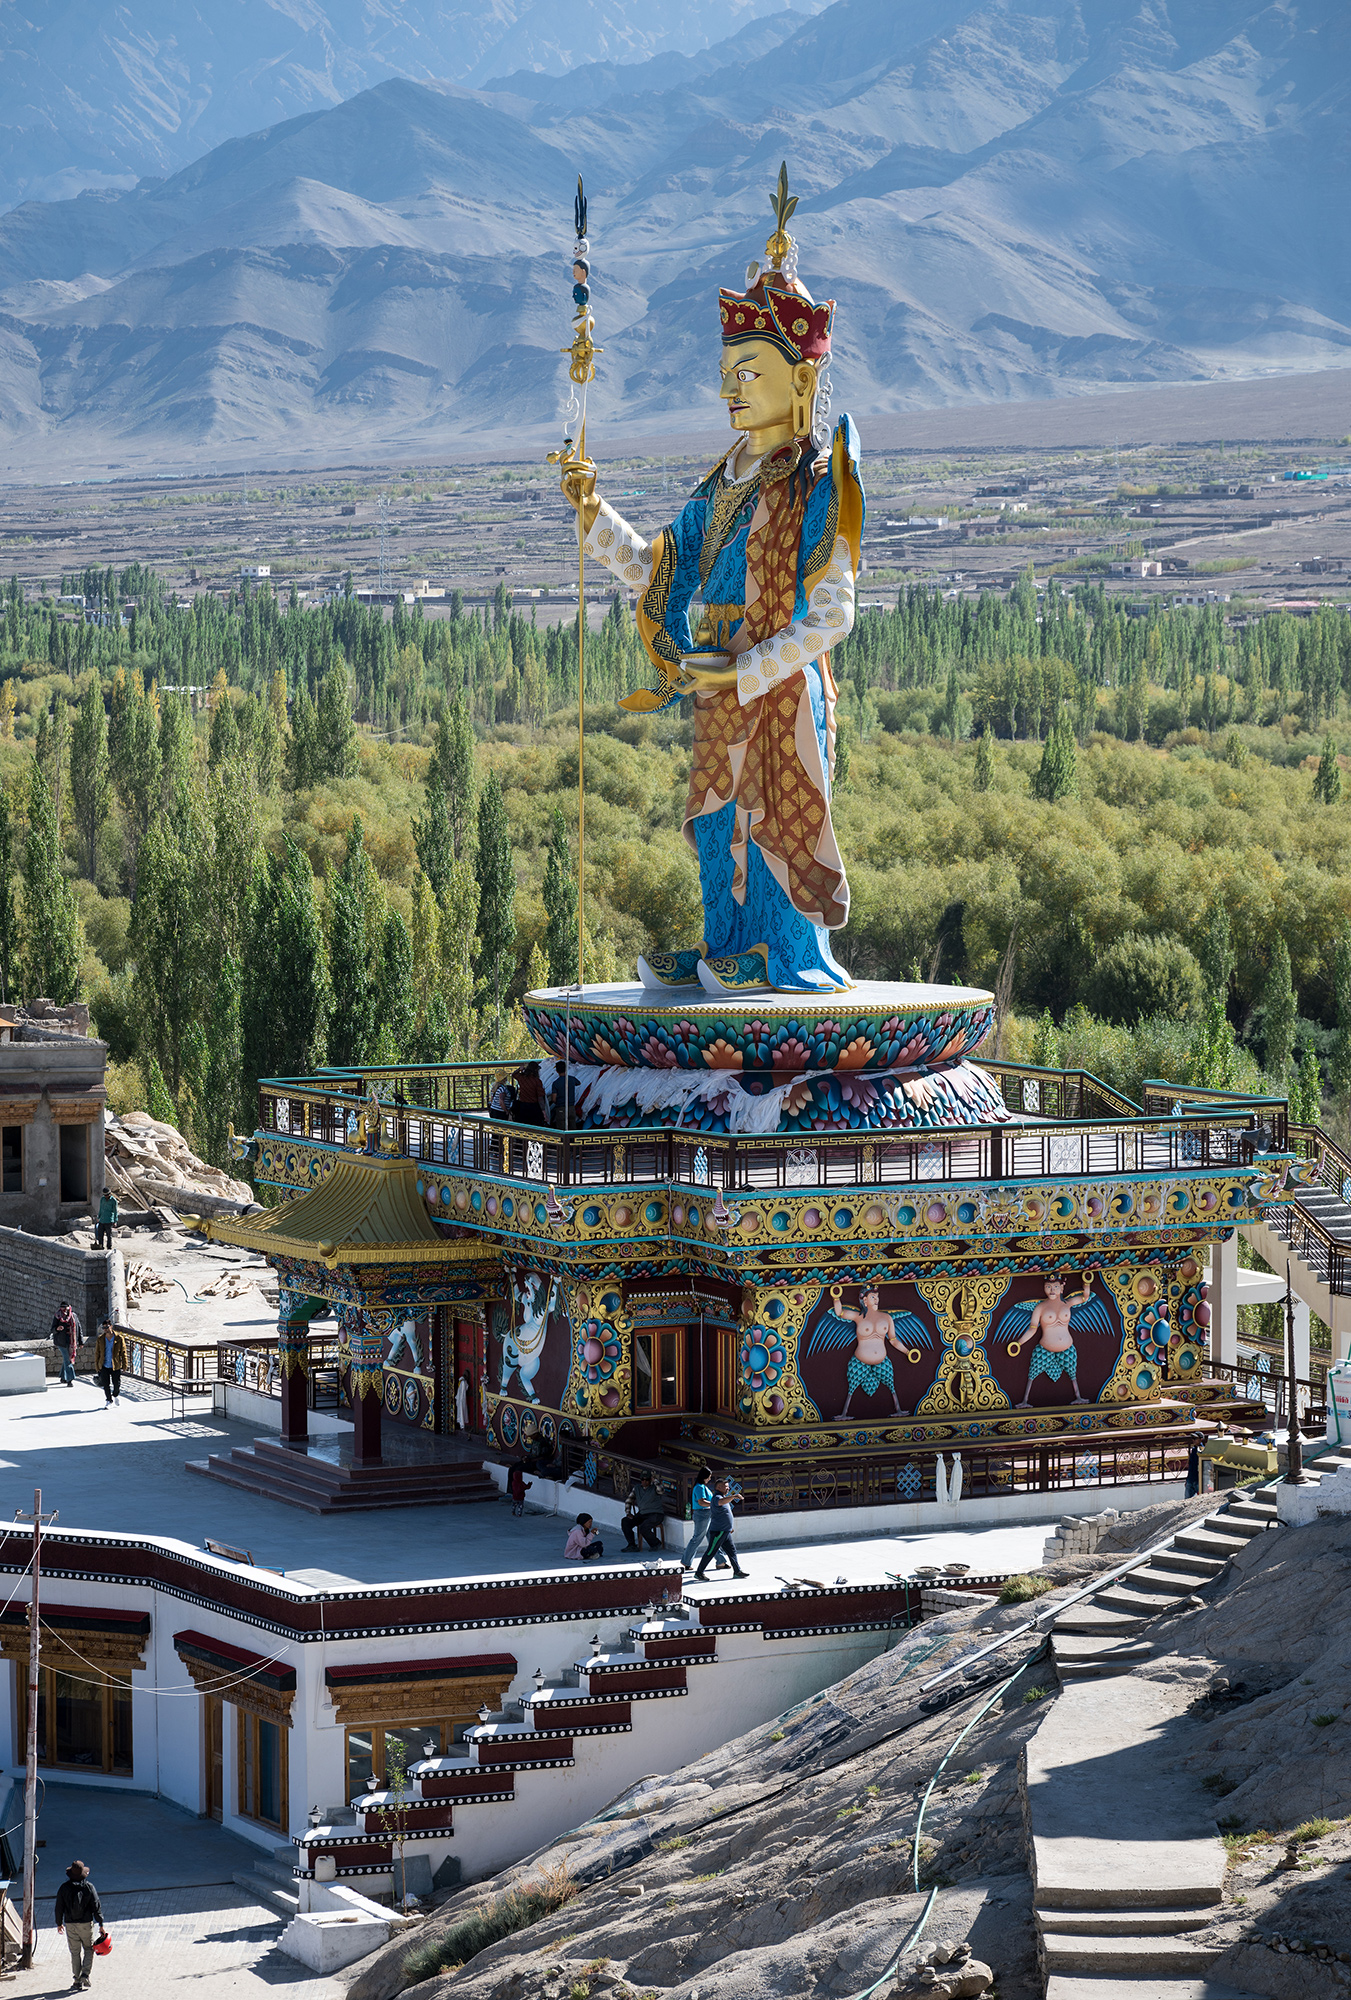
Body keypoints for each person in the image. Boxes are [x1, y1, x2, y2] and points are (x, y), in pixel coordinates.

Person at [560, 163, 863, 997]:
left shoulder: (817, 481)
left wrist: (753, 665)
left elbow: (833, 611)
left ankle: (778, 957)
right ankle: (717, 949)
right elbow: (660, 569)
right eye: (728, 371)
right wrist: (593, 514)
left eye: (752, 370)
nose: (733, 387)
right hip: (717, 682)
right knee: (716, 819)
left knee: (771, 822)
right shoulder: (720, 483)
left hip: (781, 688)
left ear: (800, 381)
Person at [833, 1287, 909, 1419]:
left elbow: (893, 1340)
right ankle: (844, 1413)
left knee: (892, 1385)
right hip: (859, 1360)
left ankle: (898, 1410)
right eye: (873, 1297)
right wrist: (836, 1297)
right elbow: (839, 1312)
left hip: (882, 1360)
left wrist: (908, 1352)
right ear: (865, 1300)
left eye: (877, 1296)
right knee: (851, 1388)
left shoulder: (887, 1317)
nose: (876, 1299)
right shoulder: (859, 1316)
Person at [54, 1858, 106, 1990]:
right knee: (89, 1949)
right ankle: (85, 1974)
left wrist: (59, 1923)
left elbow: (59, 1907)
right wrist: (100, 1924)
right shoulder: (89, 1887)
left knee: (75, 1952)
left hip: (70, 1924)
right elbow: (96, 1906)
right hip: (85, 1924)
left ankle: (76, 1980)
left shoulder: (64, 1888)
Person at [693, 1477, 748, 1580]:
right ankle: (699, 1572)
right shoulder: (716, 1497)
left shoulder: (723, 1497)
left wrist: (730, 1527)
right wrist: (734, 1496)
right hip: (718, 1531)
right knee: (711, 1552)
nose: (728, 1489)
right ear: (719, 1487)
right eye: (726, 1487)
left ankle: (737, 1571)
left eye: (728, 1487)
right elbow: (721, 1502)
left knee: (732, 1551)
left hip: (726, 1531)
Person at [682, 1464, 727, 1570]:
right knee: (697, 1538)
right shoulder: (699, 1487)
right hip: (702, 1515)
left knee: (713, 1538)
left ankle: (721, 1561)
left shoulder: (702, 1487)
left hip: (707, 1514)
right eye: (709, 1476)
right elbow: (701, 1502)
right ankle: (686, 1562)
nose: (710, 1479)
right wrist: (714, 1503)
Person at [51, 1301, 83, 1388]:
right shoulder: (57, 1316)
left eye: (65, 1308)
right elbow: (52, 1329)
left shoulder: (74, 1316)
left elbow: (78, 1328)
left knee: (66, 1360)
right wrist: (57, 1329)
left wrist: (81, 1342)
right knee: (68, 1360)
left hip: (72, 1342)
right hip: (61, 1342)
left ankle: (62, 1377)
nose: (64, 1310)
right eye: (62, 1308)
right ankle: (70, 1379)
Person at [95, 1321, 123, 1407]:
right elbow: (97, 1353)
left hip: (115, 1365)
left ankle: (115, 1395)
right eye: (104, 1328)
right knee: (106, 1385)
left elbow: (123, 1352)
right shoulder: (100, 1339)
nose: (105, 1330)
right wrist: (97, 1366)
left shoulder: (119, 1338)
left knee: (116, 1385)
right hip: (104, 1365)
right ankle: (108, 1400)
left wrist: (125, 1364)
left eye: (107, 1327)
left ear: (111, 1326)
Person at [514, 1063, 548, 1128]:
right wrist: (544, 1112)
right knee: (534, 1127)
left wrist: (519, 1069)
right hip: (534, 1108)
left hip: (522, 1106)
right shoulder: (537, 1081)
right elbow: (540, 1097)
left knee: (524, 1127)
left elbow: (514, 1074)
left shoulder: (522, 1078)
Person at [94, 1187, 118, 1251]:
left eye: (107, 1195)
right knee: (100, 1235)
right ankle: (101, 1247)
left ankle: (109, 1248)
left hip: (109, 1220)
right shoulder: (102, 1199)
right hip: (102, 1220)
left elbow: (115, 1211)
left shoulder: (113, 1201)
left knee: (108, 1235)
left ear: (110, 1194)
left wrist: (115, 1221)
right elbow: (101, 1209)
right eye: (105, 1195)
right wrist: (98, 1217)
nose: (106, 1196)